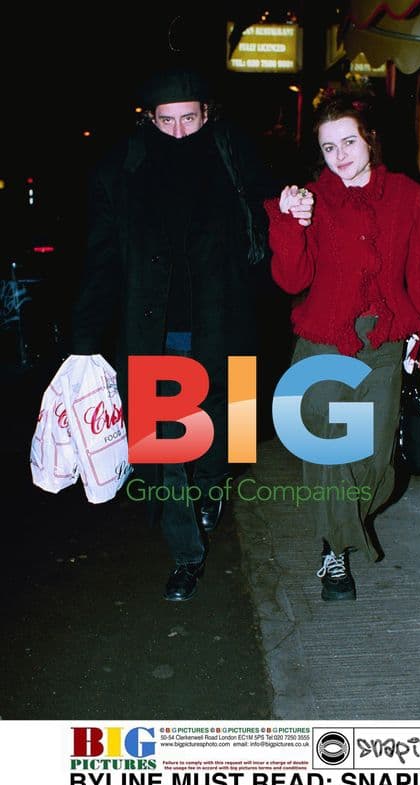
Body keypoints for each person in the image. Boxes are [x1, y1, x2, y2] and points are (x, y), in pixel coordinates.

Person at [71, 66, 278, 603]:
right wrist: (84, 340)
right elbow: (102, 261)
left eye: (191, 119)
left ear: (208, 114)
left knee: (217, 433)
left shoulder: (234, 158)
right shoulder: (120, 171)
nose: (180, 133)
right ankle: (186, 555)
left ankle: (211, 490)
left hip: (222, 327)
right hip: (153, 331)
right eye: (167, 122)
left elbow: (275, 221)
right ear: (148, 119)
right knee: (164, 447)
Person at [264, 89, 420, 602]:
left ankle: (341, 521)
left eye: (348, 141)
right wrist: (289, 223)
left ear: (369, 138)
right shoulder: (310, 200)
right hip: (322, 337)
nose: (340, 155)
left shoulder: (412, 200)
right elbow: (290, 277)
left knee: (373, 459)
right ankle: (335, 553)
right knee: (325, 444)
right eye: (328, 148)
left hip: (385, 341)